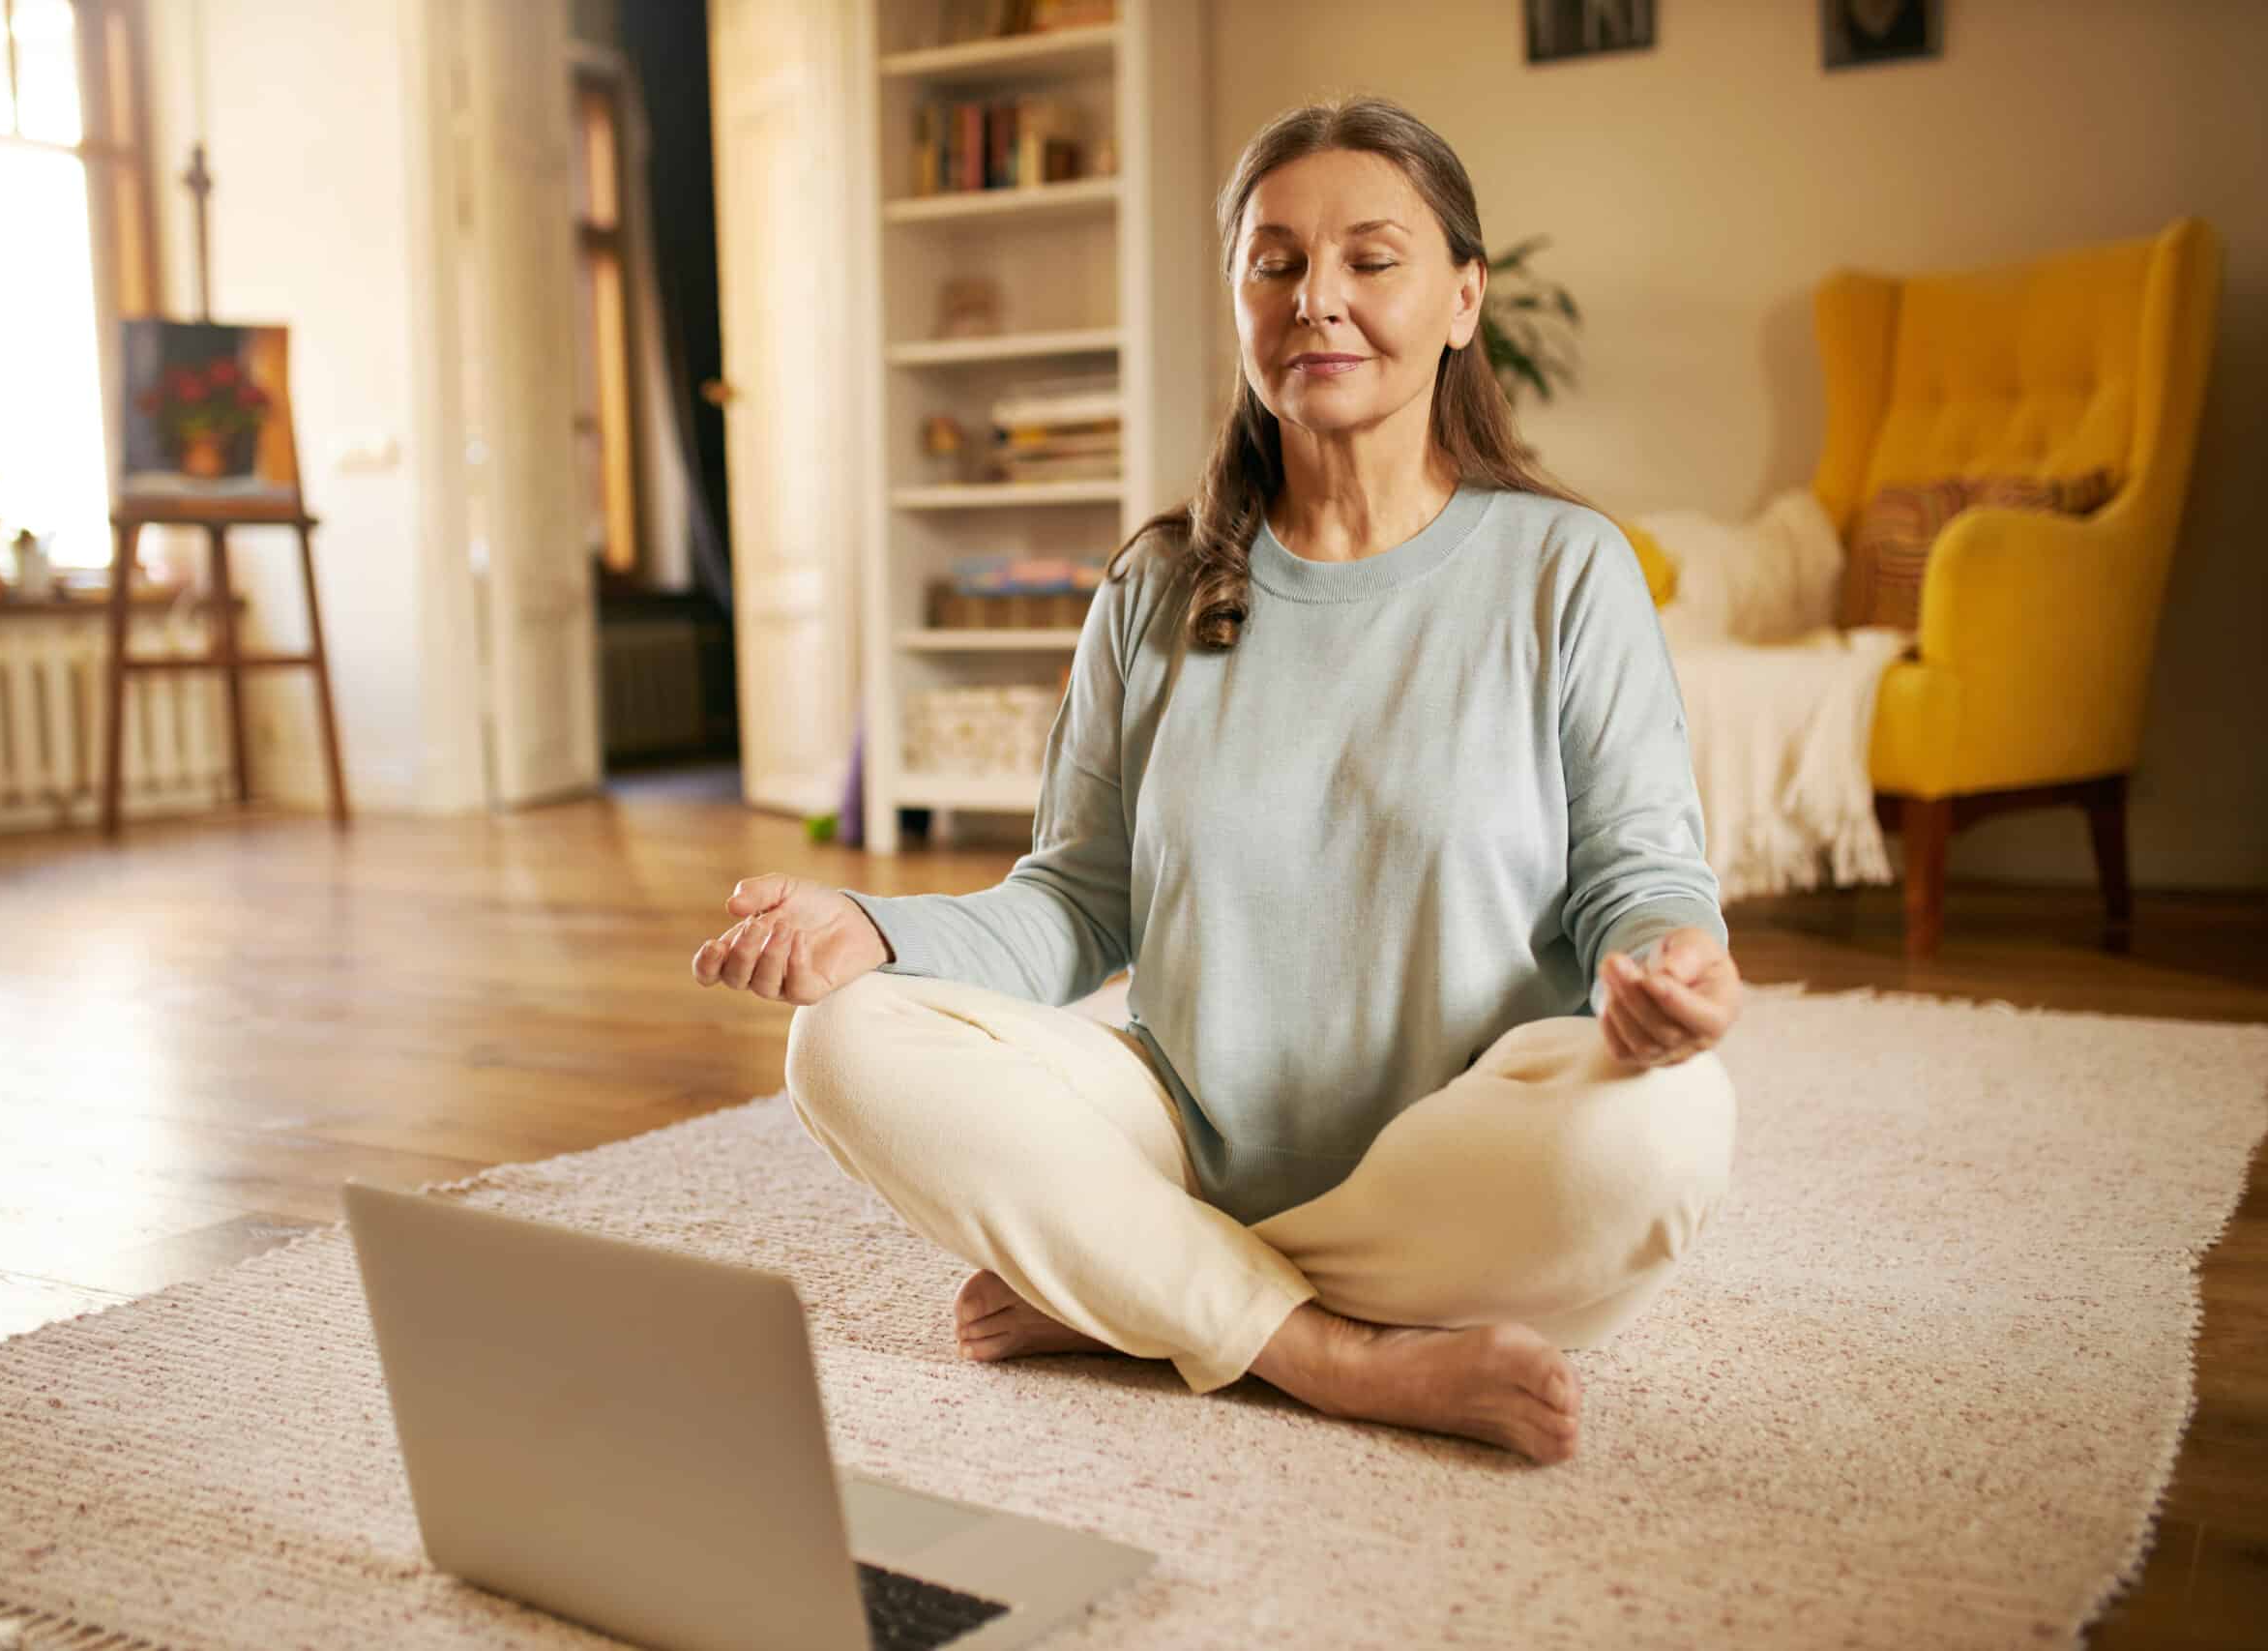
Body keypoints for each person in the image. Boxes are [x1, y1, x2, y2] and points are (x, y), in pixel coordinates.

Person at [692, 95, 1743, 1466]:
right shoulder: (1157, 584)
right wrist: (873, 932)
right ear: (1239, 299)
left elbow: (1640, 869)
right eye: (1275, 262)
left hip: (1459, 1161)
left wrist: (1672, 968)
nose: (1319, 299)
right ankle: (1329, 1354)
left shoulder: (1564, 568)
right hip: (1185, 1138)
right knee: (842, 1042)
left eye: (1372, 260)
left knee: (1663, 1134)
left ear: (1463, 298)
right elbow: (1074, 904)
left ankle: (1151, 1289)